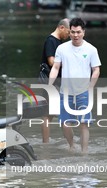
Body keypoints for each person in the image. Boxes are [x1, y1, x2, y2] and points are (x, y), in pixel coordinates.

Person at [49, 18, 101, 153]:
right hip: (65, 92)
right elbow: (55, 67)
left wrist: (90, 87)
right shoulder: (62, 48)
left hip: (83, 92)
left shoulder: (91, 50)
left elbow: (96, 70)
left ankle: (84, 152)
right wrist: (49, 85)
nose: (75, 35)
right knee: (65, 123)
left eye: (78, 32)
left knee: (84, 124)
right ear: (69, 31)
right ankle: (71, 145)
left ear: (83, 32)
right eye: (73, 32)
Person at [41, 18, 70, 143]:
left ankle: (47, 142)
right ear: (61, 27)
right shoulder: (51, 41)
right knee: (49, 115)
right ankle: (47, 143)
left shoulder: (58, 42)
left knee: (51, 114)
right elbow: (52, 62)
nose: (69, 36)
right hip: (50, 82)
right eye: (69, 32)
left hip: (56, 83)